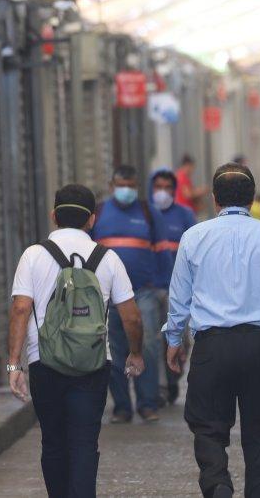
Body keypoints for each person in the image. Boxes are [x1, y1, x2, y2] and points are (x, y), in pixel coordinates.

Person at [163, 163, 260, 498]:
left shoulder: (194, 237)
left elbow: (179, 297)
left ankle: (218, 482)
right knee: (259, 428)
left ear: (215, 199)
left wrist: (174, 340)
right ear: (252, 200)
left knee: (207, 424)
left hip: (212, 347)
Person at [7, 183, 145, 498]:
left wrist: (14, 364)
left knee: (53, 441)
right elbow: (131, 317)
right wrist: (135, 353)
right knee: (84, 442)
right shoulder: (108, 258)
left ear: (54, 215)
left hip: (44, 361)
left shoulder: (33, 255)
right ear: (92, 220)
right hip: (94, 363)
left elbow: (20, 309)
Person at [92, 165, 161, 422]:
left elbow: (161, 249)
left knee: (148, 346)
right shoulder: (99, 213)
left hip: (142, 291)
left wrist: (161, 285)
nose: (126, 190)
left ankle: (148, 403)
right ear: (112, 185)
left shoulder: (147, 212)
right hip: (106, 295)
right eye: (122, 184)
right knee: (113, 349)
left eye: (131, 185)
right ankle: (122, 407)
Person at [150, 168, 196, 404]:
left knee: (180, 339)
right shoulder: (145, 215)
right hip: (150, 288)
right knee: (154, 340)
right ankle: (161, 388)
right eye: (158, 187)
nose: (162, 192)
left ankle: (174, 377)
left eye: (167, 188)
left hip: (180, 290)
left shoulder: (185, 216)